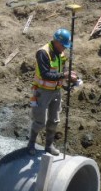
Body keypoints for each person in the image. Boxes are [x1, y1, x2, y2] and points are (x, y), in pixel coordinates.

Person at [27, 28, 77, 156]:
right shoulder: (43, 53)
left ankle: (49, 145)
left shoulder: (61, 54)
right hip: (42, 91)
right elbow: (45, 74)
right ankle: (31, 143)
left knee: (54, 120)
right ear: (56, 42)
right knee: (40, 121)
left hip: (56, 91)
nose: (64, 48)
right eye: (63, 45)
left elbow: (62, 70)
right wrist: (64, 76)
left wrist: (68, 78)